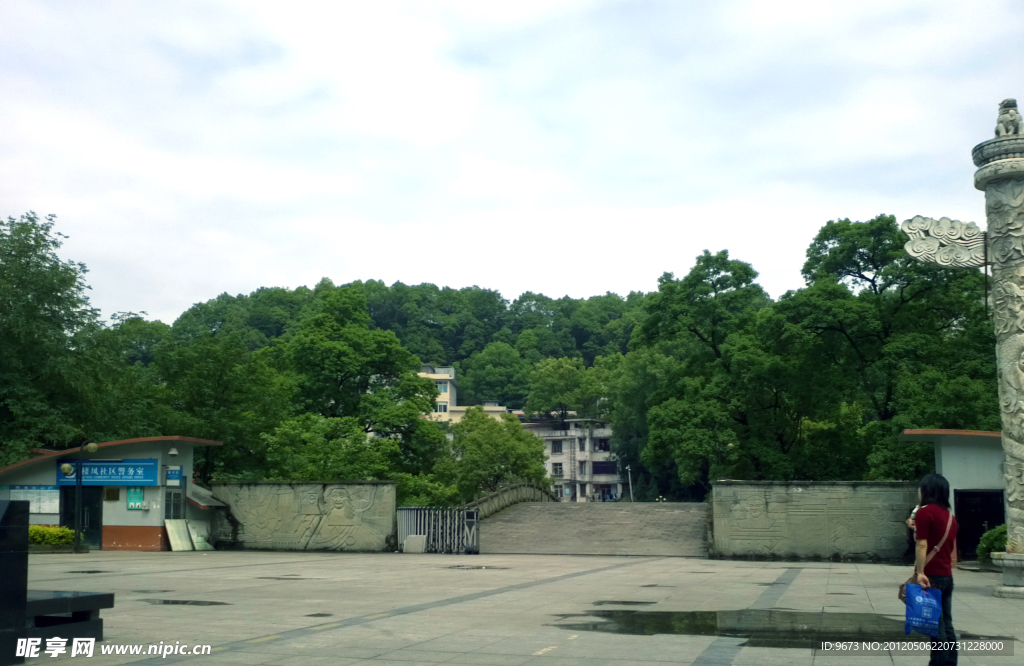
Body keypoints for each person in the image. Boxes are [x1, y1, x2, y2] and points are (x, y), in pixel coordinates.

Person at [914, 473, 959, 666]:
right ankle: (950, 663)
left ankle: (938, 663)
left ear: (927, 490)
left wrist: (920, 572)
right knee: (947, 625)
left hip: (931, 576)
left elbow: (922, 545)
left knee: (936, 627)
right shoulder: (950, 516)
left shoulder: (924, 512)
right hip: (946, 576)